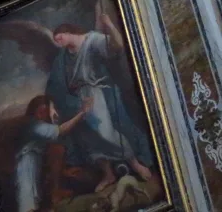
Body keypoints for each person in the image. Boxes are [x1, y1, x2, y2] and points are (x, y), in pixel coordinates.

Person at [46, 16, 155, 193]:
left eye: (59, 38)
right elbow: (55, 83)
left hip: (97, 93)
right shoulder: (63, 56)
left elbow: (117, 46)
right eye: (56, 41)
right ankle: (108, 174)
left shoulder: (92, 40)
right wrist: (52, 105)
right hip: (78, 99)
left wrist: (109, 24)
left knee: (106, 132)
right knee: (91, 139)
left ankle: (135, 164)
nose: (58, 43)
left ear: (68, 32)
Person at [15, 95, 93, 212]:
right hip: (27, 165)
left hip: (38, 164)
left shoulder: (44, 126)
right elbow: (60, 131)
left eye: (45, 112)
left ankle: (55, 194)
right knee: (29, 199)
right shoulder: (33, 124)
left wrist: (64, 171)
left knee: (58, 148)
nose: (42, 115)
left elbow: (54, 153)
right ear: (33, 111)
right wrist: (82, 113)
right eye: (40, 112)